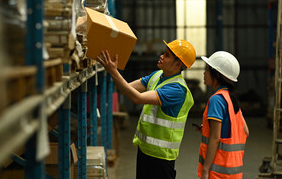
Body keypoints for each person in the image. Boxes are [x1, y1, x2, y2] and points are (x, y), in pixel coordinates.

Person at [97, 39, 196, 179]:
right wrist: (113, 70)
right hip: (145, 149)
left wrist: (113, 71)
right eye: (164, 53)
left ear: (178, 64)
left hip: (161, 156)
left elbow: (137, 98)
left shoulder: (177, 89)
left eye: (167, 55)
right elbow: (125, 88)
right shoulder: (156, 76)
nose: (161, 56)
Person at [197, 51, 249, 179]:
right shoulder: (232, 99)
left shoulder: (216, 100)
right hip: (234, 171)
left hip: (217, 172)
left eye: (207, 70)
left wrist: (205, 170)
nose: (204, 73)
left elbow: (215, 139)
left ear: (217, 75)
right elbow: (245, 131)